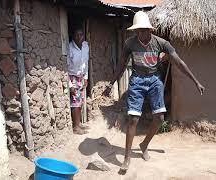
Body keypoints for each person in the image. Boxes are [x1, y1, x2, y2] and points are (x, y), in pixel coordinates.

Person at [103, 11, 205, 170]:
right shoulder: (130, 44)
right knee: (133, 119)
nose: (141, 33)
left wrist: (196, 81)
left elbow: (179, 62)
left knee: (159, 118)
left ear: (150, 30)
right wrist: (111, 84)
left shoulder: (161, 43)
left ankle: (144, 144)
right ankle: (127, 158)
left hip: (154, 81)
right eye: (138, 30)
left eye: (144, 30)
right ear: (135, 31)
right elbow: (121, 65)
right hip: (137, 80)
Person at [67, 27, 90, 135]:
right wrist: (70, 84)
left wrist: (86, 78)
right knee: (75, 102)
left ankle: (79, 123)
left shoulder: (85, 46)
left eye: (81, 34)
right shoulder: (70, 48)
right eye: (76, 35)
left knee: (80, 101)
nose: (79, 37)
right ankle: (76, 127)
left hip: (81, 77)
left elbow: (86, 62)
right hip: (73, 77)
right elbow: (64, 67)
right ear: (72, 36)